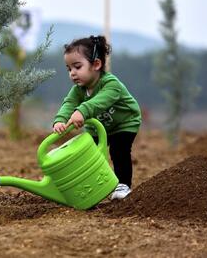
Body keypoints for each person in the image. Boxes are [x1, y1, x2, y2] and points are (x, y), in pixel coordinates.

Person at [53, 35, 141, 200]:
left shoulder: (111, 84)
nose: (72, 73)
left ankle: (123, 185)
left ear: (96, 64)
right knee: (89, 154)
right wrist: (60, 119)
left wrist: (82, 111)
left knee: (118, 150)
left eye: (77, 67)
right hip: (98, 127)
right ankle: (90, 187)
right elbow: (69, 103)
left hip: (124, 123)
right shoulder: (78, 90)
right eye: (69, 69)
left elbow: (100, 102)